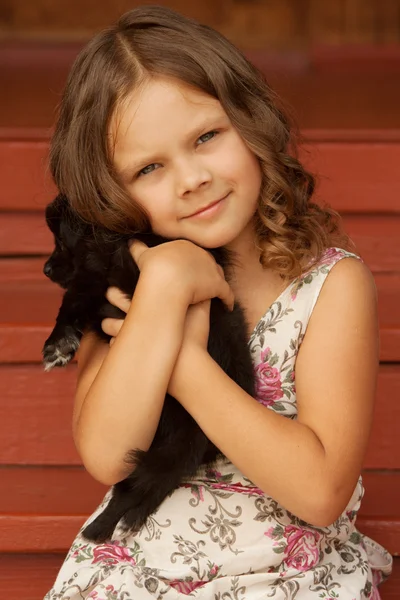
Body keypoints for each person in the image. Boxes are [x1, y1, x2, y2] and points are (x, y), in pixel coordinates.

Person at [44, 5, 392, 599]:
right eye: (149, 167)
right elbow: (107, 455)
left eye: (206, 137)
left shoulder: (332, 286)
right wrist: (163, 289)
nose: (191, 178)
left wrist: (180, 360)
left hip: (286, 576)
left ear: (252, 122)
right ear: (112, 193)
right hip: (136, 574)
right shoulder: (127, 282)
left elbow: (320, 491)